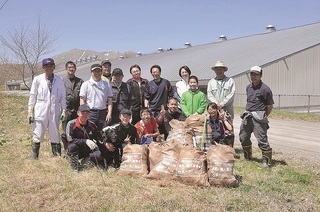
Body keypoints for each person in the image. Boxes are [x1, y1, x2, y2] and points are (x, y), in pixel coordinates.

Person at [27, 58, 66, 159]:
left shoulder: (59, 79)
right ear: (43, 67)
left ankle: (56, 157)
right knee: (38, 133)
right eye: (46, 66)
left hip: (54, 108)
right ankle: (35, 158)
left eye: (51, 66)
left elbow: (63, 96)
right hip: (41, 109)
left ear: (54, 67)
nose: (49, 68)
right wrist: (30, 110)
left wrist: (64, 110)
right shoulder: (37, 79)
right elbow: (33, 95)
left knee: (55, 133)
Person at [239, 66, 274, 168]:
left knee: (262, 139)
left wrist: (263, 116)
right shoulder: (248, 87)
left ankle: (266, 161)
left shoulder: (265, 89)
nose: (253, 76)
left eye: (256, 74)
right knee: (243, 137)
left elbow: (270, 105)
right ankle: (247, 156)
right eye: (252, 74)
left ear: (261, 75)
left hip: (258, 117)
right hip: (248, 115)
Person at [66, 104, 103, 172]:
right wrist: (85, 141)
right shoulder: (71, 124)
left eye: (87, 114)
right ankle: (74, 167)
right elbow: (70, 139)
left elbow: (98, 137)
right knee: (72, 147)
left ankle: (84, 164)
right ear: (78, 113)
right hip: (75, 149)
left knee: (98, 154)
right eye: (82, 113)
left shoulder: (92, 125)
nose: (85, 116)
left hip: (87, 149)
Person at [80, 64, 113, 132]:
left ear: (101, 72)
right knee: (90, 132)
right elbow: (82, 100)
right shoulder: (86, 84)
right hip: (91, 113)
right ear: (91, 73)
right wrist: (84, 113)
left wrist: (109, 113)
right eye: (95, 71)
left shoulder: (106, 84)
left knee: (103, 133)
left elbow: (110, 99)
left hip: (103, 113)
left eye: (98, 71)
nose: (97, 73)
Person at [61, 61, 84, 151]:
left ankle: (76, 147)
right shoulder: (62, 81)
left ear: (75, 69)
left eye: (73, 67)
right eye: (69, 67)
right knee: (66, 130)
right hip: (66, 110)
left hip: (77, 110)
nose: (71, 69)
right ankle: (66, 148)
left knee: (77, 129)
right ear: (66, 69)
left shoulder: (80, 81)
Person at [144, 64, 173, 134]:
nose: (155, 74)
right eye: (153, 72)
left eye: (156, 72)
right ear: (151, 73)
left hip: (164, 110)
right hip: (153, 110)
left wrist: (170, 107)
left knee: (165, 129)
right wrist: (146, 109)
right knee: (154, 130)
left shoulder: (166, 83)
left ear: (160, 72)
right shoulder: (149, 84)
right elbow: (146, 97)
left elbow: (171, 95)